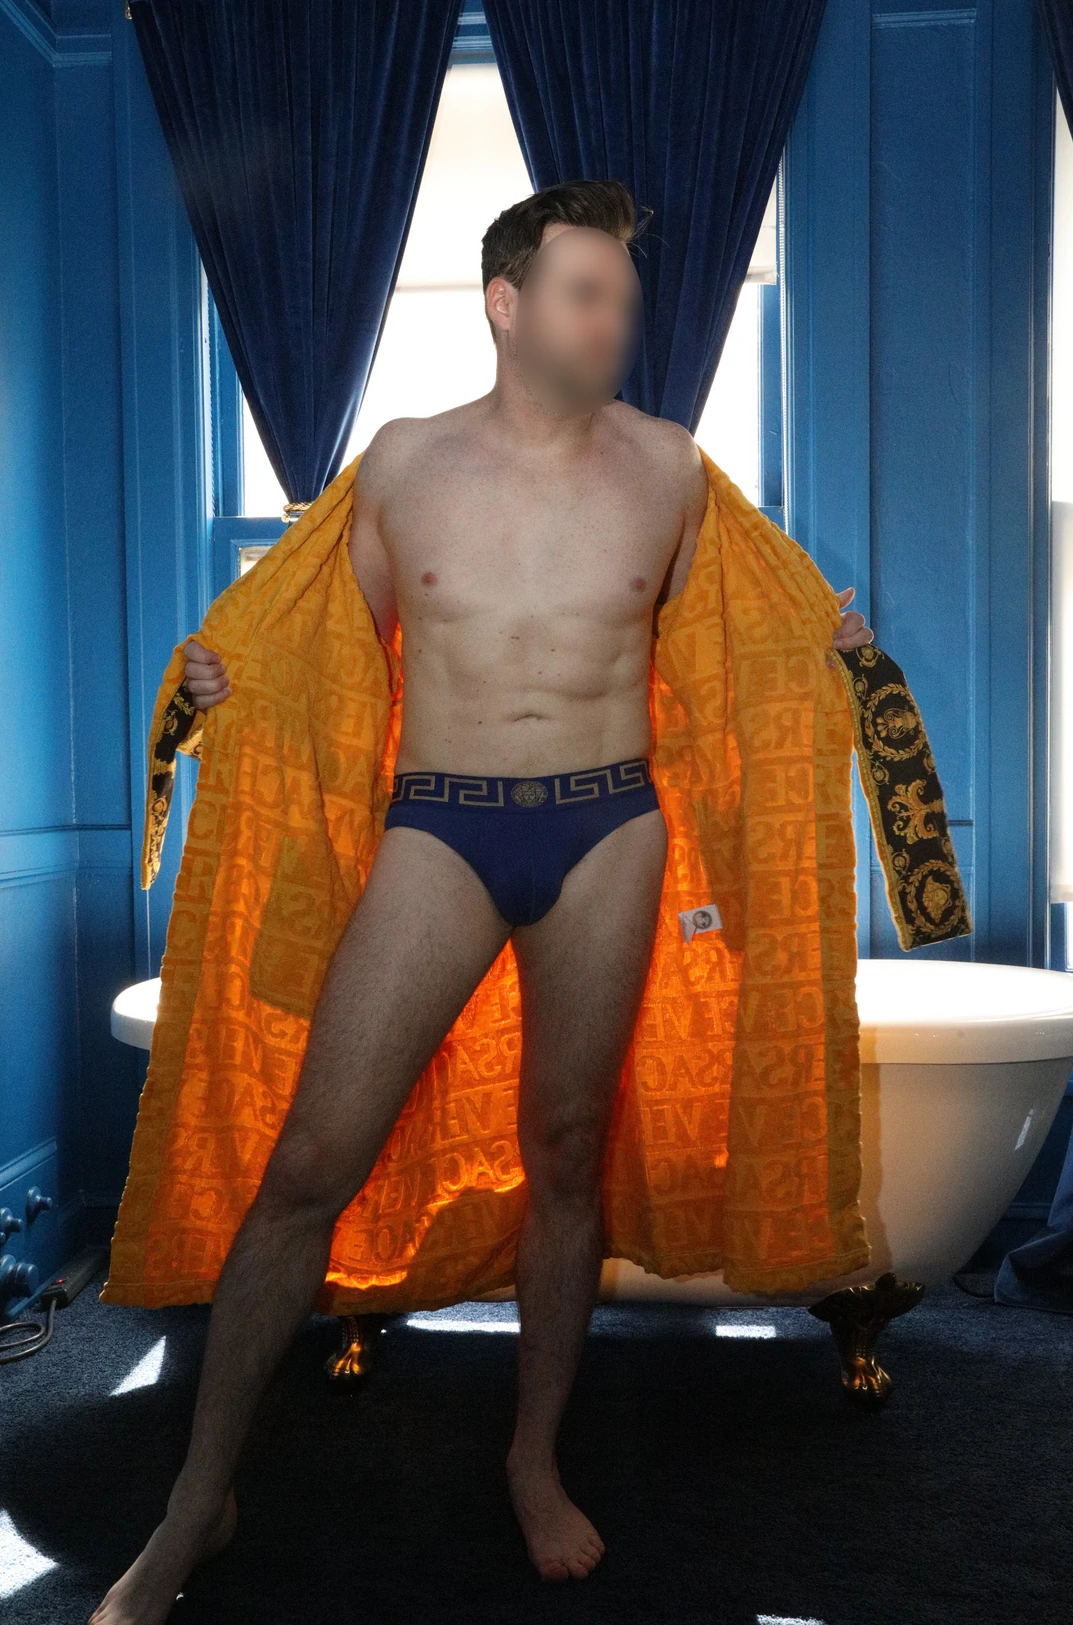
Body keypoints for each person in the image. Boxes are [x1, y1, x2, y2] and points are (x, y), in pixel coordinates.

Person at [90, 179, 872, 1623]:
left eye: (625, 296)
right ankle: (198, 1498)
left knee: (566, 1152)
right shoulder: (402, 463)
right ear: (508, 306)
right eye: (587, 293)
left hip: (609, 828)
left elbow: (744, 633)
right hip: (442, 828)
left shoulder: (671, 470)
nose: (616, 320)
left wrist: (826, 648)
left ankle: (533, 1457)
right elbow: (315, 643)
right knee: (310, 1161)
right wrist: (220, 677)